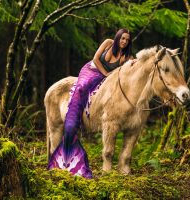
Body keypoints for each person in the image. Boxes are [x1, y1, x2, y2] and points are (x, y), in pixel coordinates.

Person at [47, 29, 134, 178]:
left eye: (127, 40)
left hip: (106, 80)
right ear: (118, 37)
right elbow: (95, 59)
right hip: (92, 70)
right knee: (81, 88)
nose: (124, 41)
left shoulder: (125, 57)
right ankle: (72, 118)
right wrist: (106, 74)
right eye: (123, 38)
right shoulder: (108, 43)